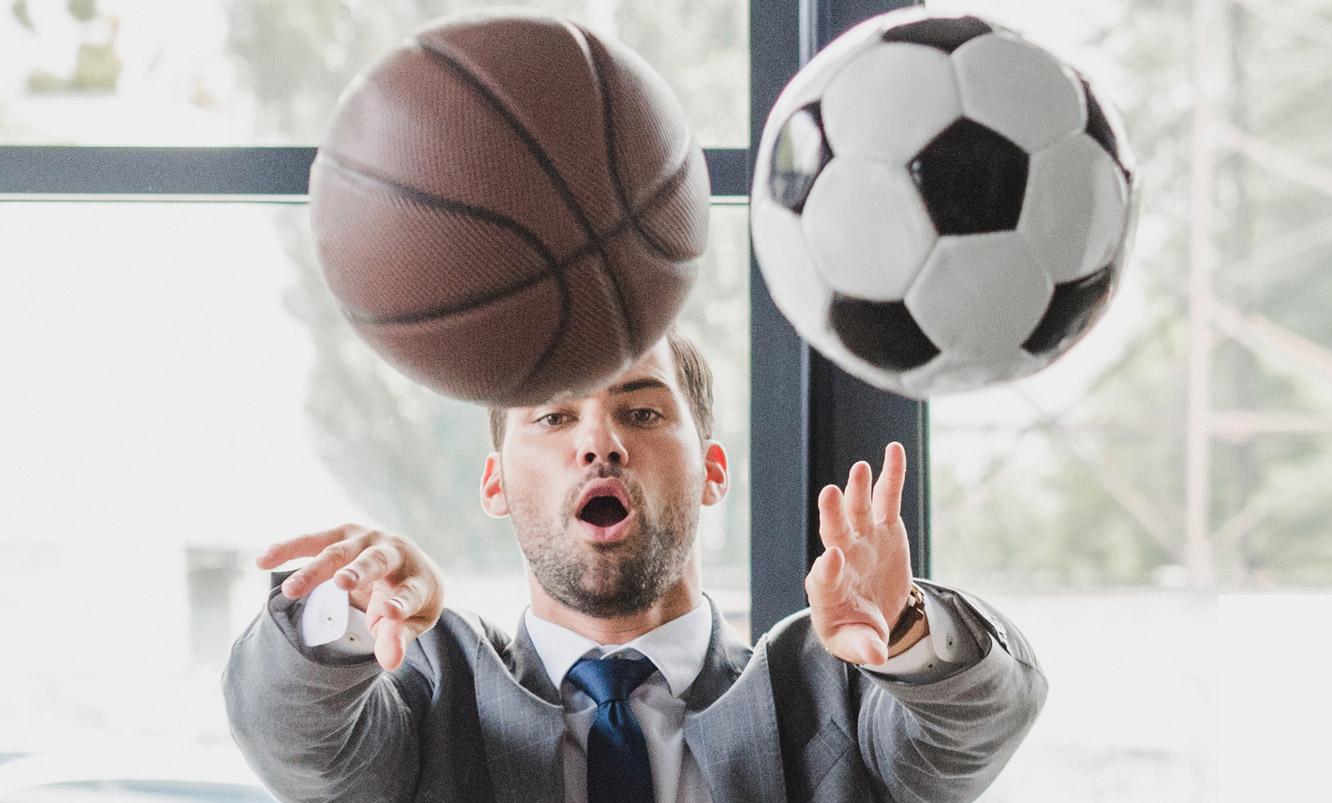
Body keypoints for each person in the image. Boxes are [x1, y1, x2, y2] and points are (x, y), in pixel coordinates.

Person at [222, 330, 1047, 802]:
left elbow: (979, 720)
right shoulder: (432, 685)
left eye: (642, 409)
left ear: (712, 469)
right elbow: (292, 735)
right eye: (554, 415)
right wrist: (351, 615)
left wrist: (902, 627)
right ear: (496, 482)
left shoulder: (827, 684)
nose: (599, 441)